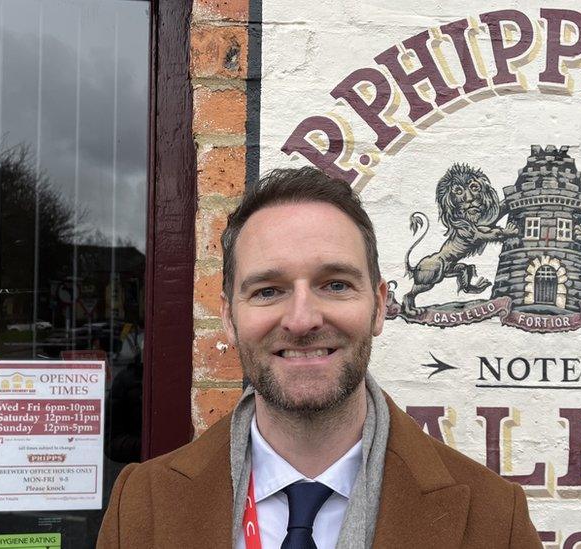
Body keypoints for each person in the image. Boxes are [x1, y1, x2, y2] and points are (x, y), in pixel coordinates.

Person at [97, 167, 542, 548]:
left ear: (380, 306)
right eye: (268, 291)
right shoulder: (140, 509)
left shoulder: (495, 520)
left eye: (335, 285)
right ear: (229, 318)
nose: (302, 319)